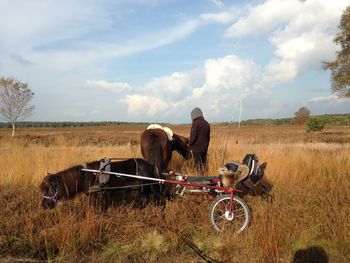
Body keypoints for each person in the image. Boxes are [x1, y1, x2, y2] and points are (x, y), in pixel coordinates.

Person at [188, 107, 210, 172]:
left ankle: (199, 178)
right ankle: (205, 176)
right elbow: (208, 137)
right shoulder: (206, 123)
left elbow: (193, 137)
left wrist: (189, 144)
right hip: (205, 148)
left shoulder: (195, 123)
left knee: (198, 165)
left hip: (197, 149)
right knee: (204, 164)